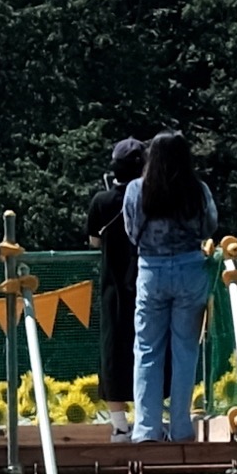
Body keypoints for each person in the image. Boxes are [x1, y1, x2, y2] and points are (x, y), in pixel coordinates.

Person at [123, 129, 219, 440]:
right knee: (185, 350)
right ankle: (181, 427)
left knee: (148, 349)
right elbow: (209, 226)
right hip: (192, 269)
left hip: (152, 269)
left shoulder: (137, 189)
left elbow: (130, 229)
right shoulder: (197, 190)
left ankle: (147, 428)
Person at [87, 133, 145, 426]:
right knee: (148, 346)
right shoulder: (150, 197)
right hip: (146, 279)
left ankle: (119, 424)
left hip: (113, 284)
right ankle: (148, 417)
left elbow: (94, 241)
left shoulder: (102, 200)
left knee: (113, 348)